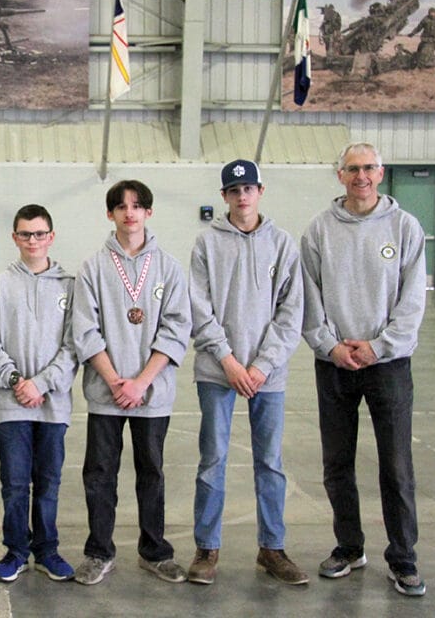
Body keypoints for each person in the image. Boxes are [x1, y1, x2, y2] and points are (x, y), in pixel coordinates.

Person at [301, 142, 427, 597]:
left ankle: (403, 558)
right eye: (353, 169)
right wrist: (330, 346)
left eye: (369, 168)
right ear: (340, 175)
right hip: (334, 364)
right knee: (337, 463)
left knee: (396, 464)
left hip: (388, 365)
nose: (361, 176)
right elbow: (308, 298)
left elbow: (413, 301)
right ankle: (349, 547)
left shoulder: (404, 227)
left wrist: (378, 346)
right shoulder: (319, 230)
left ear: (381, 173)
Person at [187, 160, 307, 586]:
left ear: (260, 191)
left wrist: (261, 365)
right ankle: (206, 548)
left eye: (249, 189)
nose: (242, 196)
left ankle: (272, 548)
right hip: (217, 371)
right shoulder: (206, 244)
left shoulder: (283, 244)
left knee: (270, 462)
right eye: (234, 190)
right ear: (224, 196)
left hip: (267, 376)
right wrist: (229, 361)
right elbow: (198, 309)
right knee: (213, 459)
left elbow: (292, 312)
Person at [71, 180, 192, 586]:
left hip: (152, 394)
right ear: (110, 214)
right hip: (105, 393)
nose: (129, 213)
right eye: (121, 207)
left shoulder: (169, 267)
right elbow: (85, 330)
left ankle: (155, 552)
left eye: (137, 206)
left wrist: (140, 383)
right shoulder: (93, 267)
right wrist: (114, 381)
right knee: (100, 473)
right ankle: (99, 552)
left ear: (148, 212)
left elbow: (177, 329)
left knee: (152, 472)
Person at [0, 204, 79, 583]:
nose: (32, 240)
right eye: (25, 234)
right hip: (11, 404)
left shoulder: (70, 286)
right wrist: (17, 379)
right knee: (16, 483)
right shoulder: (1, 285)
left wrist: (43, 383)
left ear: (51, 237)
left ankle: (47, 551)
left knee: (48, 482)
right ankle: (16, 551)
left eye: (39, 234)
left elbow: (74, 345)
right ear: (15, 238)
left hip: (53, 405)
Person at [408, 7, 435, 74]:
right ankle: (418, 68)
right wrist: (412, 33)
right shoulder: (425, 19)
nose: (432, 15)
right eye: (430, 13)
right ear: (428, 13)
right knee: (424, 55)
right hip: (428, 41)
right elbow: (419, 27)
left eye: (433, 13)